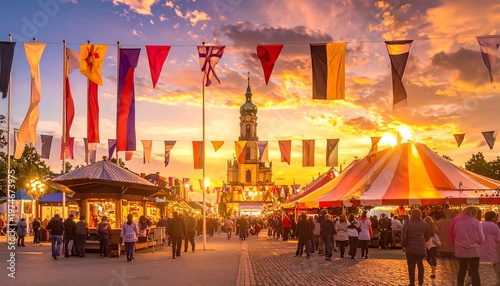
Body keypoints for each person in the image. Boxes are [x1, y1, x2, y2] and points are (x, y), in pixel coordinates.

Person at [451, 206, 485, 286]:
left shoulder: (459, 222)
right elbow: (481, 238)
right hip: (473, 250)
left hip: (461, 250)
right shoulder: (476, 222)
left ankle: (460, 284)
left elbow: (455, 232)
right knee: (474, 271)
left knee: (462, 270)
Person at [402, 208, 430, 286]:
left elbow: (404, 235)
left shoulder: (407, 223)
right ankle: (420, 282)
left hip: (410, 247)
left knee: (411, 266)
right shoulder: (424, 224)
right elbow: (428, 235)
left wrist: (404, 245)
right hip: (420, 247)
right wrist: (423, 240)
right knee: (420, 265)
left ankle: (412, 282)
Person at [479, 211, 500, 285]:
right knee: (496, 264)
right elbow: (498, 239)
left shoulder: (480, 224)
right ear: (494, 218)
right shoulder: (494, 226)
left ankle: (470, 280)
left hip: (479, 249)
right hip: (491, 248)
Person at [424, 215, 440, 282]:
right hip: (433, 243)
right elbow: (437, 231)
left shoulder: (424, 225)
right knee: (432, 256)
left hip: (428, 242)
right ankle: (433, 269)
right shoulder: (433, 225)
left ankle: (433, 269)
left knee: (429, 257)